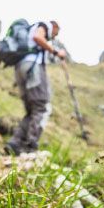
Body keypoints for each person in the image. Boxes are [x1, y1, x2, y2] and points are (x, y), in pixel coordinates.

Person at [6, 21, 66, 155]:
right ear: (54, 26)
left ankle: (15, 143)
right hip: (33, 68)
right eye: (56, 33)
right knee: (41, 106)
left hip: (20, 69)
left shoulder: (30, 31)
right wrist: (56, 52)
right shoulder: (45, 26)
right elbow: (38, 38)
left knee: (31, 110)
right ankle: (30, 145)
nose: (54, 36)